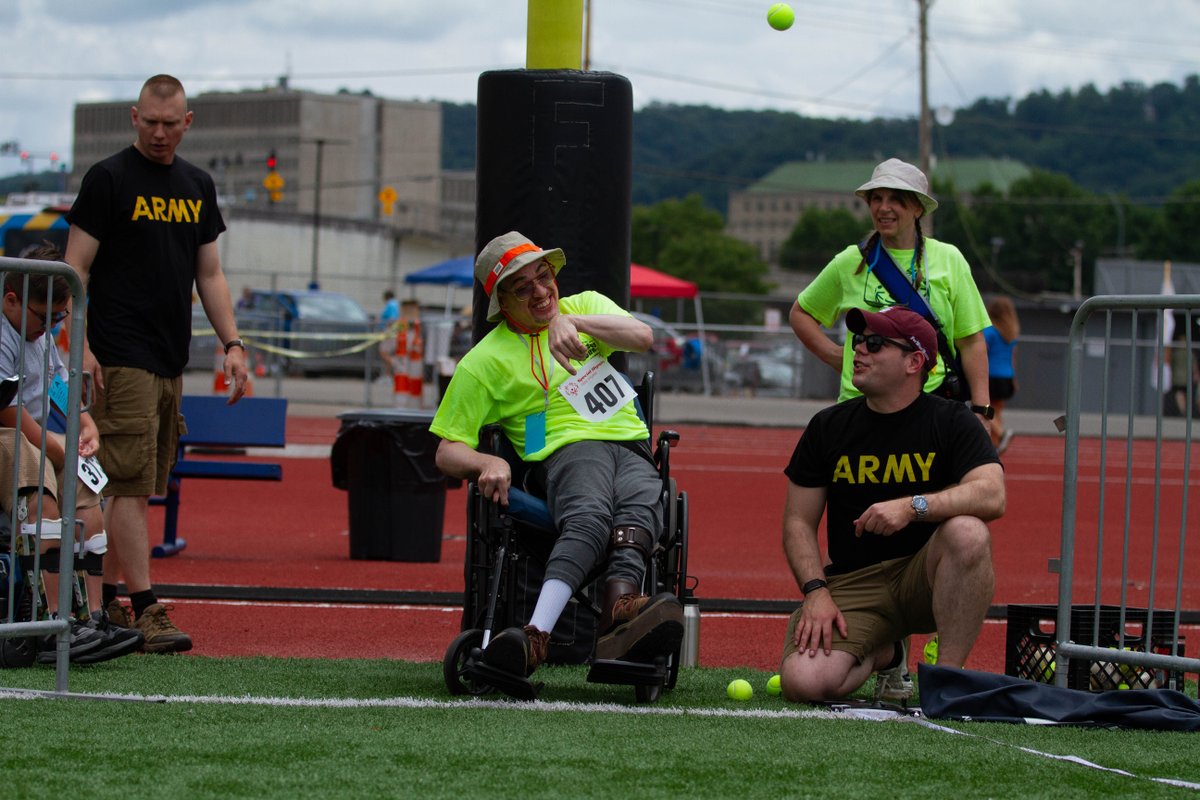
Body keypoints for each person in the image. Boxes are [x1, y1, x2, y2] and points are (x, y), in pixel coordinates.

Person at [430, 231, 684, 683]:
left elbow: (642, 336)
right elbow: (447, 450)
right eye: (522, 287)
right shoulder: (482, 361)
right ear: (502, 302)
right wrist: (487, 462)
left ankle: (620, 606)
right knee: (590, 513)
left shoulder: (584, 304)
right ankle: (536, 635)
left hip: (630, 443)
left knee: (643, 497)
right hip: (564, 454)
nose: (541, 291)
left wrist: (574, 324)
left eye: (542, 277)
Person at [64, 73, 249, 653]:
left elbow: (210, 274)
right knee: (127, 485)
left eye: (171, 124)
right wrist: (82, 345)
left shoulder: (197, 183)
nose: (161, 133)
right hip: (118, 355)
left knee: (138, 485)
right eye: (151, 122)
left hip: (169, 359)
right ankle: (144, 607)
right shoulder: (109, 178)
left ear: (188, 123)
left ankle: (112, 601)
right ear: (133, 117)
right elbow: (75, 271)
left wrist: (234, 345)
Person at [779, 306, 1004, 704]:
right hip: (854, 582)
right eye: (858, 341)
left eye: (875, 343)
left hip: (925, 577)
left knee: (968, 531)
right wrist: (816, 592)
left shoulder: (951, 421)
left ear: (914, 362)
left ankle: (946, 682)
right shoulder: (828, 426)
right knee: (804, 683)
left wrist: (912, 507)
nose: (859, 351)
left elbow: (992, 493)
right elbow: (798, 521)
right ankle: (888, 652)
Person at [788, 158, 993, 416]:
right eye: (876, 199)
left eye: (896, 199)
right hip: (859, 407)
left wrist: (982, 409)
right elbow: (800, 313)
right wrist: (836, 356)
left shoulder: (949, 259)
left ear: (918, 208)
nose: (884, 208)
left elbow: (971, 342)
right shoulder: (849, 261)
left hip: (931, 406)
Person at [983, 296, 1020, 453]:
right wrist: (1014, 379)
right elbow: (1013, 358)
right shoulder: (1011, 334)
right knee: (996, 410)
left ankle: (1001, 433)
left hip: (992, 376)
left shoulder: (990, 331)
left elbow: (981, 353)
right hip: (1007, 377)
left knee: (983, 409)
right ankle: (996, 443)